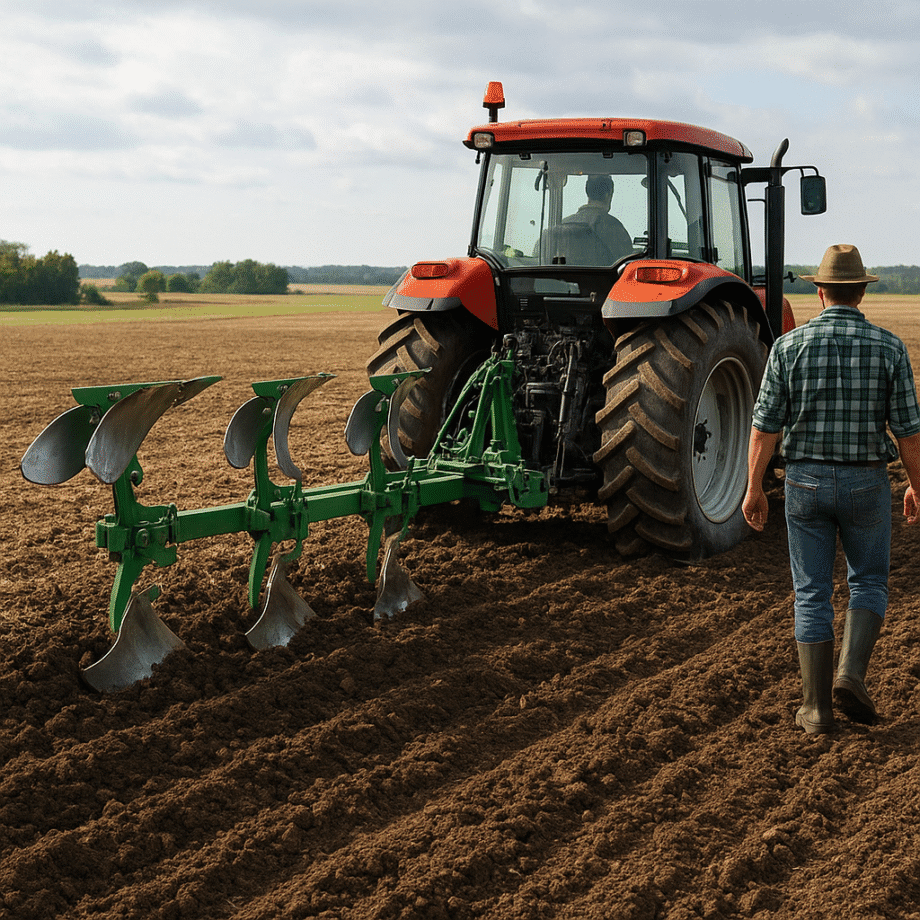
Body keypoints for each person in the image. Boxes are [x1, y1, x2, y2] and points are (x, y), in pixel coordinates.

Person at [742, 243, 920, 735]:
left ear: (819, 291)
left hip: (804, 483)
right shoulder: (889, 347)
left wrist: (753, 487)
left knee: (811, 592)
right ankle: (851, 674)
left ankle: (816, 708)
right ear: (861, 292)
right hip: (867, 481)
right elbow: (908, 432)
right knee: (869, 581)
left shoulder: (786, 347)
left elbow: (763, 429)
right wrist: (916, 486)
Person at [562, 175, 633, 262]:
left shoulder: (562, 225)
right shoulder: (615, 228)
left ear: (586, 191)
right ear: (609, 194)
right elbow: (626, 264)